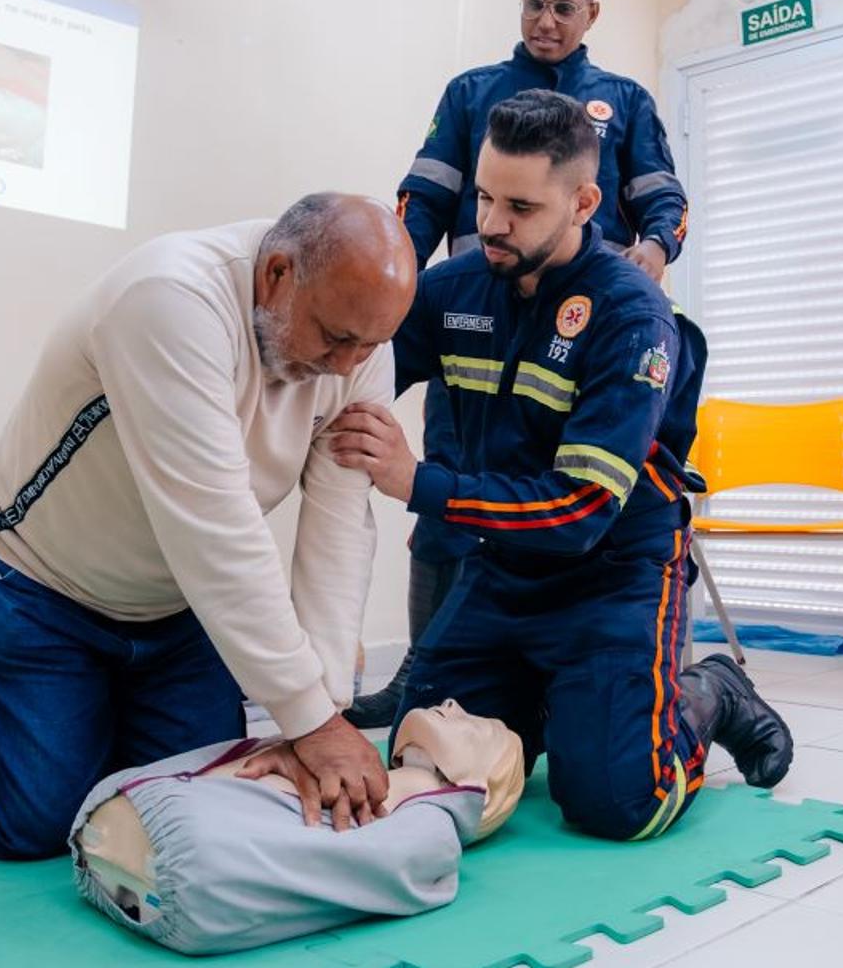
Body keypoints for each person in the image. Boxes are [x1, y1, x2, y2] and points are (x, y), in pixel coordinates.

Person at [0, 194, 416, 860]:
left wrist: (324, 707)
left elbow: (337, 526)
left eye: (370, 345)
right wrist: (311, 722)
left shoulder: (358, 344)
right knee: (32, 819)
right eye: (334, 338)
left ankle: (81, 730)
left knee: (189, 808)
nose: (350, 365)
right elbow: (216, 529)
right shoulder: (169, 300)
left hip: (177, 610)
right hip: (38, 586)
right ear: (276, 274)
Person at [330, 91, 793, 843]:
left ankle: (712, 692)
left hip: (613, 569)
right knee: (428, 756)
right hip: (504, 569)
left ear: (584, 202)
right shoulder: (453, 290)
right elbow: (353, 372)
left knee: (617, 804)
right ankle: (564, 703)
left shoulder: (633, 319)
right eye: (483, 196)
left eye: (519, 206)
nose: (488, 224)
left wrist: (417, 481)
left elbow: (579, 511)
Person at [349, 0, 689, 728]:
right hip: (474, 329)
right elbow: (423, 198)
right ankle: (422, 673)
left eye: (562, 7)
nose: (544, 19)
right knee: (448, 486)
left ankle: (561, 670)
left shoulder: (623, 101)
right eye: (533, 2)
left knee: (549, 494)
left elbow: (663, 198)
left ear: (590, 13)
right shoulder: (474, 93)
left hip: (575, 331)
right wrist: (394, 289)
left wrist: (656, 248)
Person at [70, 700, 524, 955]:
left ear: (481, 788)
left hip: (178, 860)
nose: (453, 704)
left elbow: (376, 869)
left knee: (207, 852)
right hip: (139, 815)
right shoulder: (353, 752)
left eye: (477, 724)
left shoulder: (431, 834)